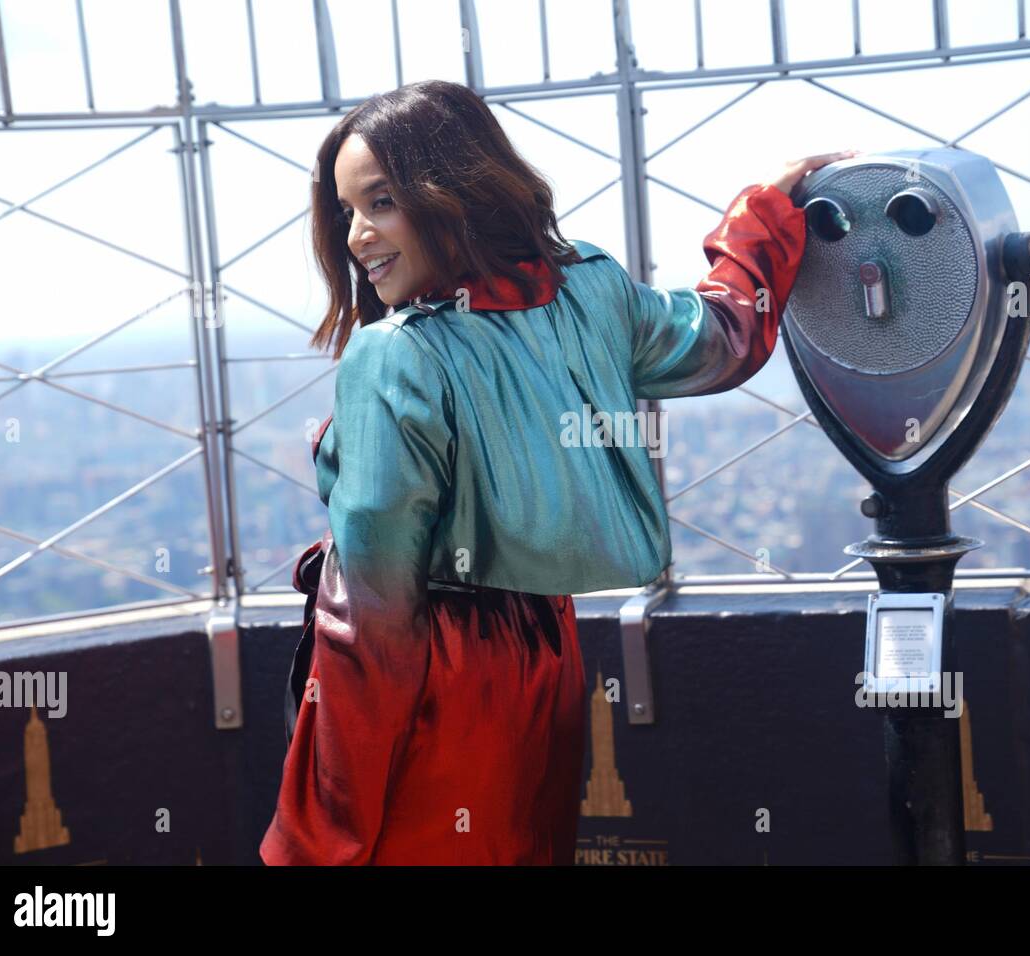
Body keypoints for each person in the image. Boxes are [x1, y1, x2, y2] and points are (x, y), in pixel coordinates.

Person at [260, 78, 857, 865]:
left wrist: (317, 838)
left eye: (381, 203)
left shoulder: (392, 355)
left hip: (426, 696)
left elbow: (368, 628)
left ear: (453, 194)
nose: (356, 237)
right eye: (346, 212)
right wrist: (764, 217)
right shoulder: (590, 292)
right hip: (542, 666)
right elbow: (724, 336)